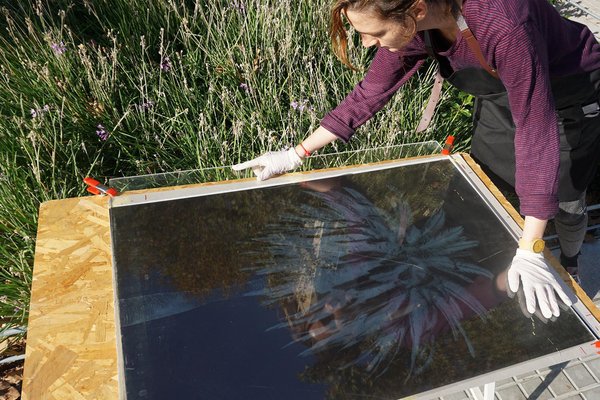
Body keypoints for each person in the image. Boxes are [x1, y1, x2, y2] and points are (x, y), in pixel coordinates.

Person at [233, 0, 600, 319]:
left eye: (373, 32)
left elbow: (536, 130)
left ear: (416, 11)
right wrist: (296, 154)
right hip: (504, 92)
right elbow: (371, 93)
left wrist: (532, 247)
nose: (367, 43)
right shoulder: (417, 22)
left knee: (563, 199)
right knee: (490, 190)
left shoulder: (504, 22)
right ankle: (507, 273)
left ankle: (568, 262)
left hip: (569, 95)